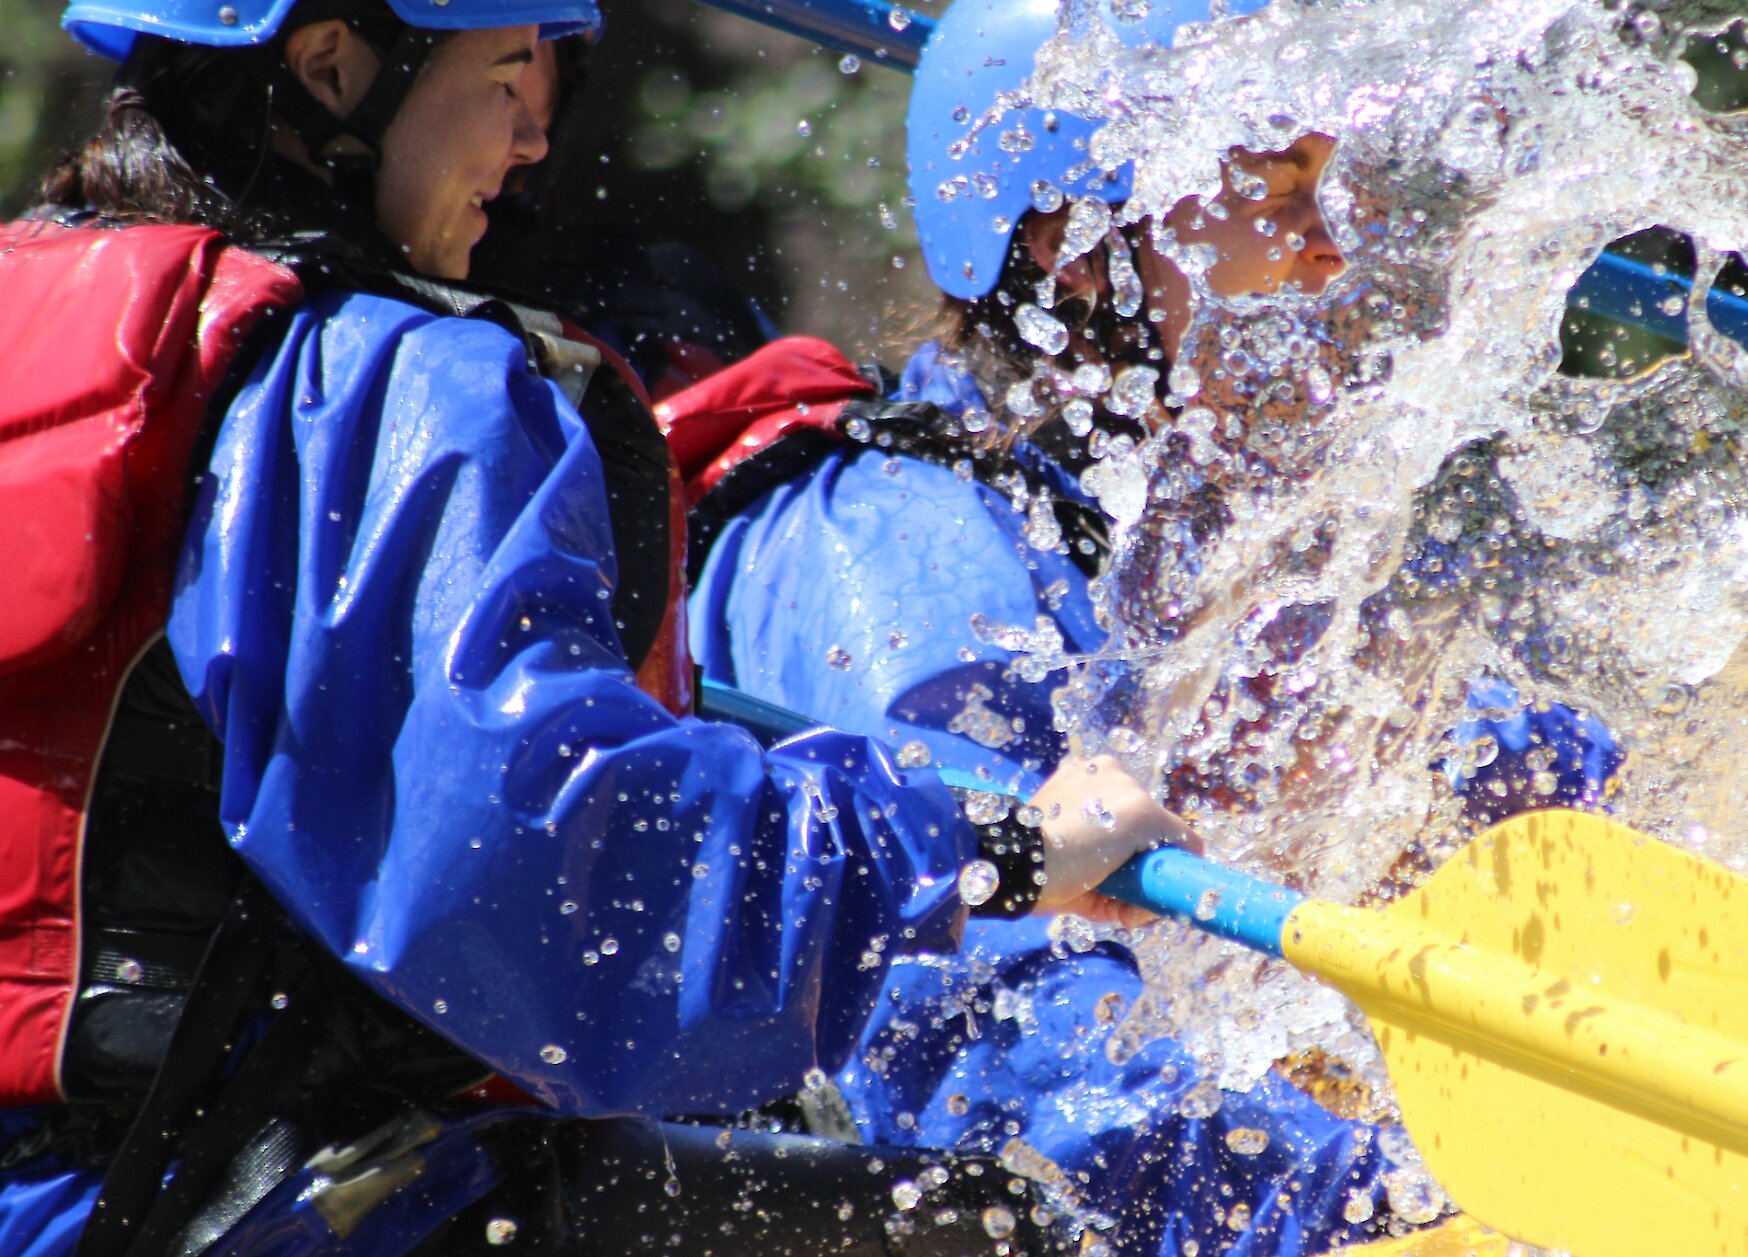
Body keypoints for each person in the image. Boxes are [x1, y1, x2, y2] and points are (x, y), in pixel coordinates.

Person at [0, 1, 1196, 1252]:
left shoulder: (60, 324)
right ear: (329, 66)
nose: (527, 142)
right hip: (259, 1203)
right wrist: (981, 850)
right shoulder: (373, 378)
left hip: (73, 1190)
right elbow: (559, 872)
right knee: (1000, 1231)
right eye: (508, 73)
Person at [667, 0, 1548, 1253]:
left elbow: (1511, 782)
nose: (1331, 257)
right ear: (1075, 249)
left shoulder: (1181, 540)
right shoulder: (897, 549)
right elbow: (1012, 1067)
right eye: (1285, 194)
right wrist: (1415, 1212)